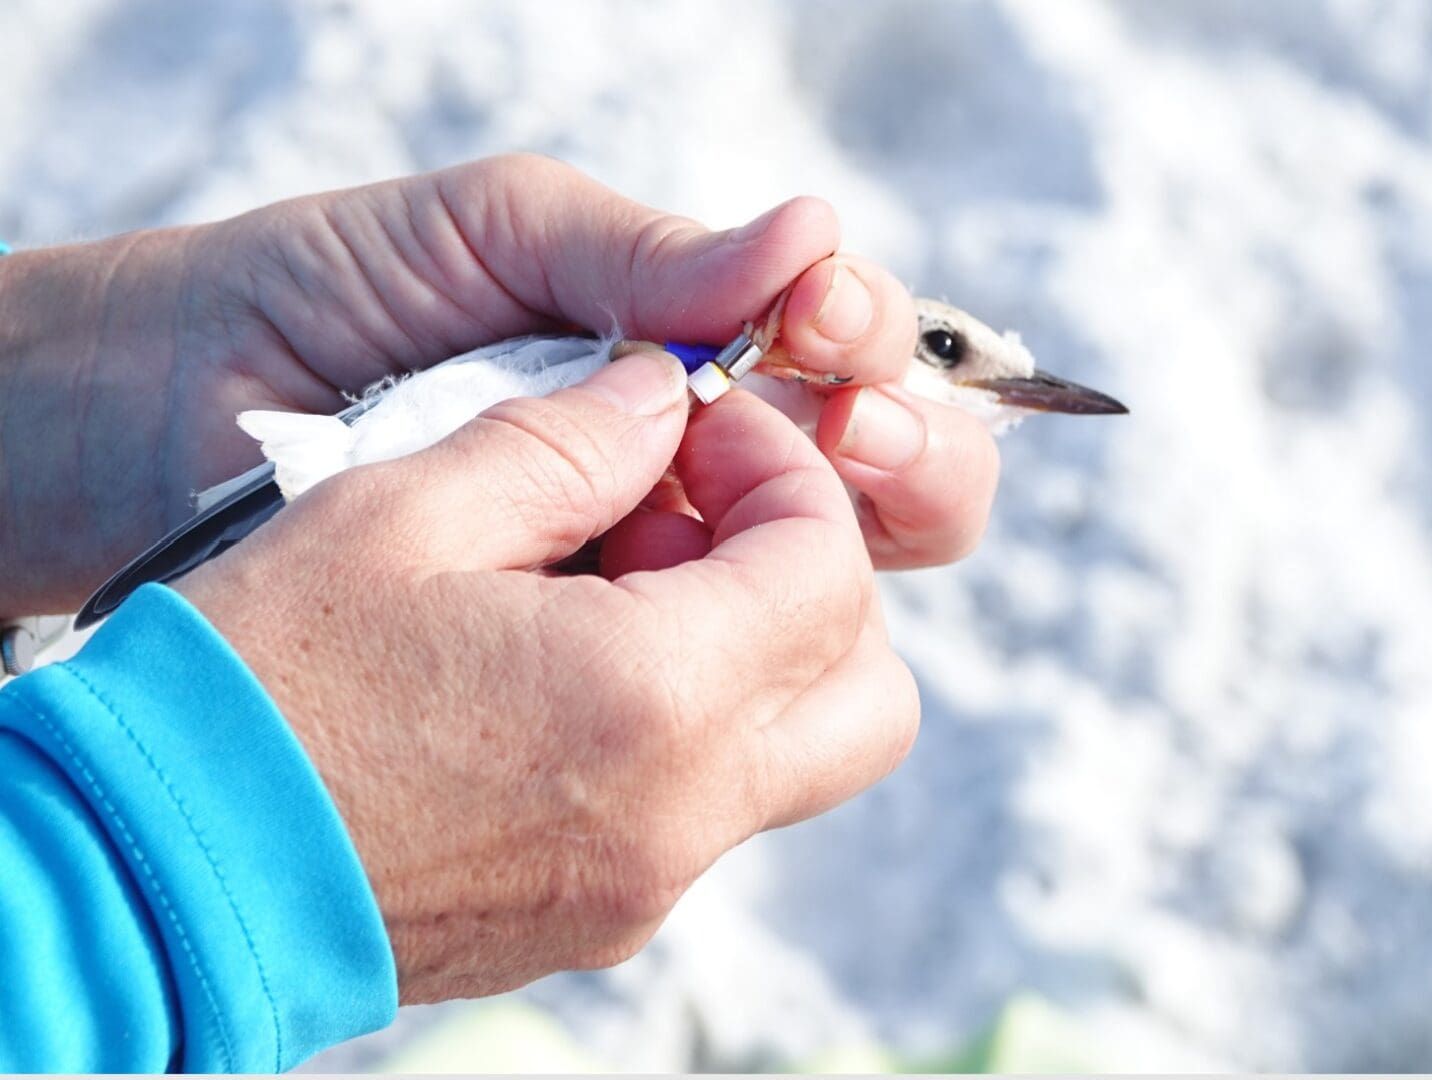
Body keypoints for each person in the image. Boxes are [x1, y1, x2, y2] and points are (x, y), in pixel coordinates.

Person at [0, 155, 1002, 1071]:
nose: (986, 383)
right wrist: (222, 829)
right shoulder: (620, 365)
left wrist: (56, 387)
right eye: (947, 349)